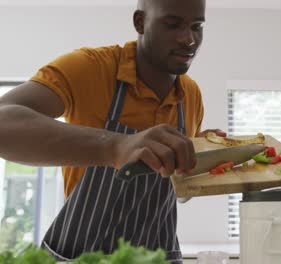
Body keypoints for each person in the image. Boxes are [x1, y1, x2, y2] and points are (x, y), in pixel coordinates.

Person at [0, 0, 224, 262]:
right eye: (172, 24)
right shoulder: (89, 68)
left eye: (197, 26)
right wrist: (116, 147)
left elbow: (178, 192)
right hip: (80, 256)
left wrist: (199, 166)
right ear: (140, 22)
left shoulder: (190, 96)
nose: (189, 39)